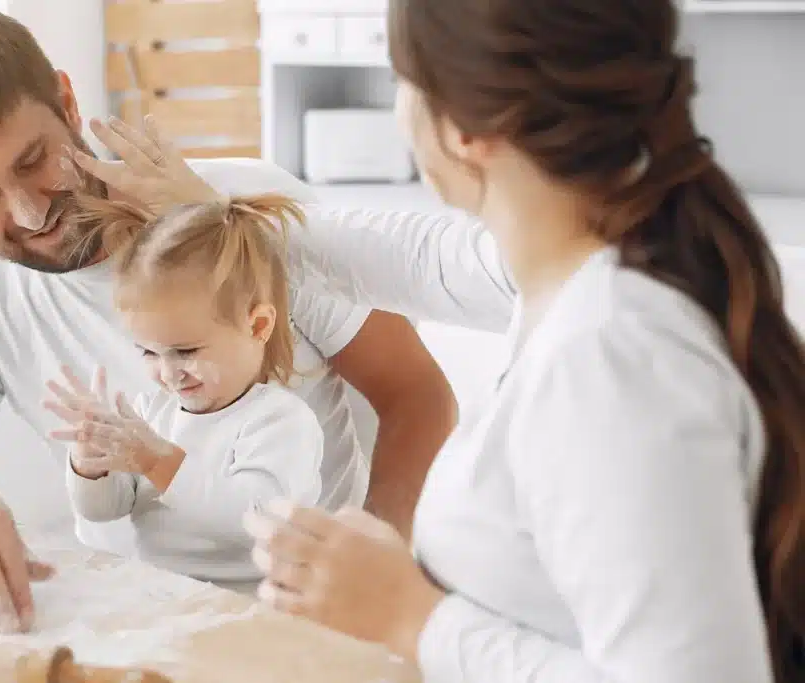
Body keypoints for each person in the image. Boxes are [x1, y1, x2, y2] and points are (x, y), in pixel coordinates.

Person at [0, 7, 459, 635]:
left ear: (67, 101)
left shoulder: (241, 212)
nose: (28, 213)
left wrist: (373, 565)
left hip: (304, 618)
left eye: (33, 160)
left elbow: (417, 396)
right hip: (143, 627)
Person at [239, 0, 805, 681]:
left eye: (402, 81)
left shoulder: (610, 352)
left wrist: (411, 614)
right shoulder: (588, 270)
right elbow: (423, 259)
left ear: (468, 128)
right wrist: (231, 213)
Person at [42, 194, 326, 591]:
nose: (169, 372)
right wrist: (91, 464)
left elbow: (258, 518)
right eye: (149, 352)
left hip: (258, 601)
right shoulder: (153, 411)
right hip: (167, 593)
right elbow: (104, 511)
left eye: (186, 351)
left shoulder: (280, 421)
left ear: (257, 326)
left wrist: (157, 460)